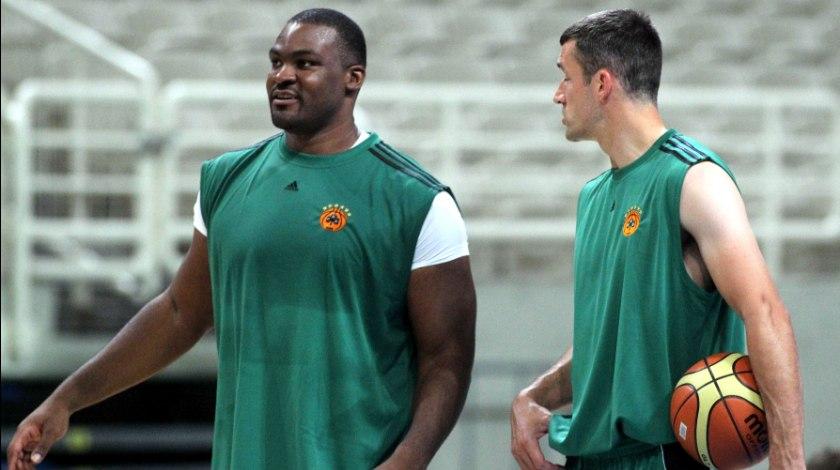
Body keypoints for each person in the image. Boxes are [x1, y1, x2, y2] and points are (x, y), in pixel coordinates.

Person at [7, 8, 476, 470]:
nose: (283, 76)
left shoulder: (417, 200)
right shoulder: (225, 179)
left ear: (353, 79)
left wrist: (407, 461)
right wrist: (64, 401)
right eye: (276, 62)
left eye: (305, 64)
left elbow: (446, 360)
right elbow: (179, 313)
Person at [510, 9, 804, 470]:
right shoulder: (592, 197)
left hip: (664, 456)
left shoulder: (695, 180)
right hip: (590, 457)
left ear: (602, 84)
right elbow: (606, 347)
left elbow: (765, 312)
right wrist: (532, 398)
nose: (557, 94)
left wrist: (787, 457)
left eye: (566, 77)